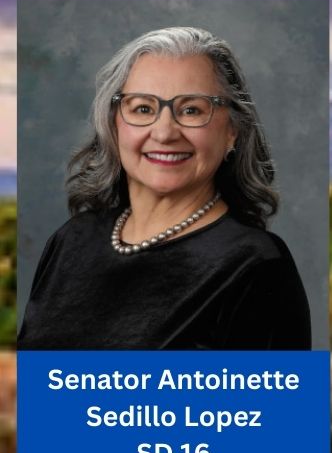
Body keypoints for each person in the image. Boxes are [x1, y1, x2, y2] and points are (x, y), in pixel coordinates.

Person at [18, 25, 311, 351]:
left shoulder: (258, 266)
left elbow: (279, 404)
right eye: (143, 108)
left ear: (232, 131)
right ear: (114, 124)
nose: (165, 132)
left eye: (192, 110)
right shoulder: (71, 241)